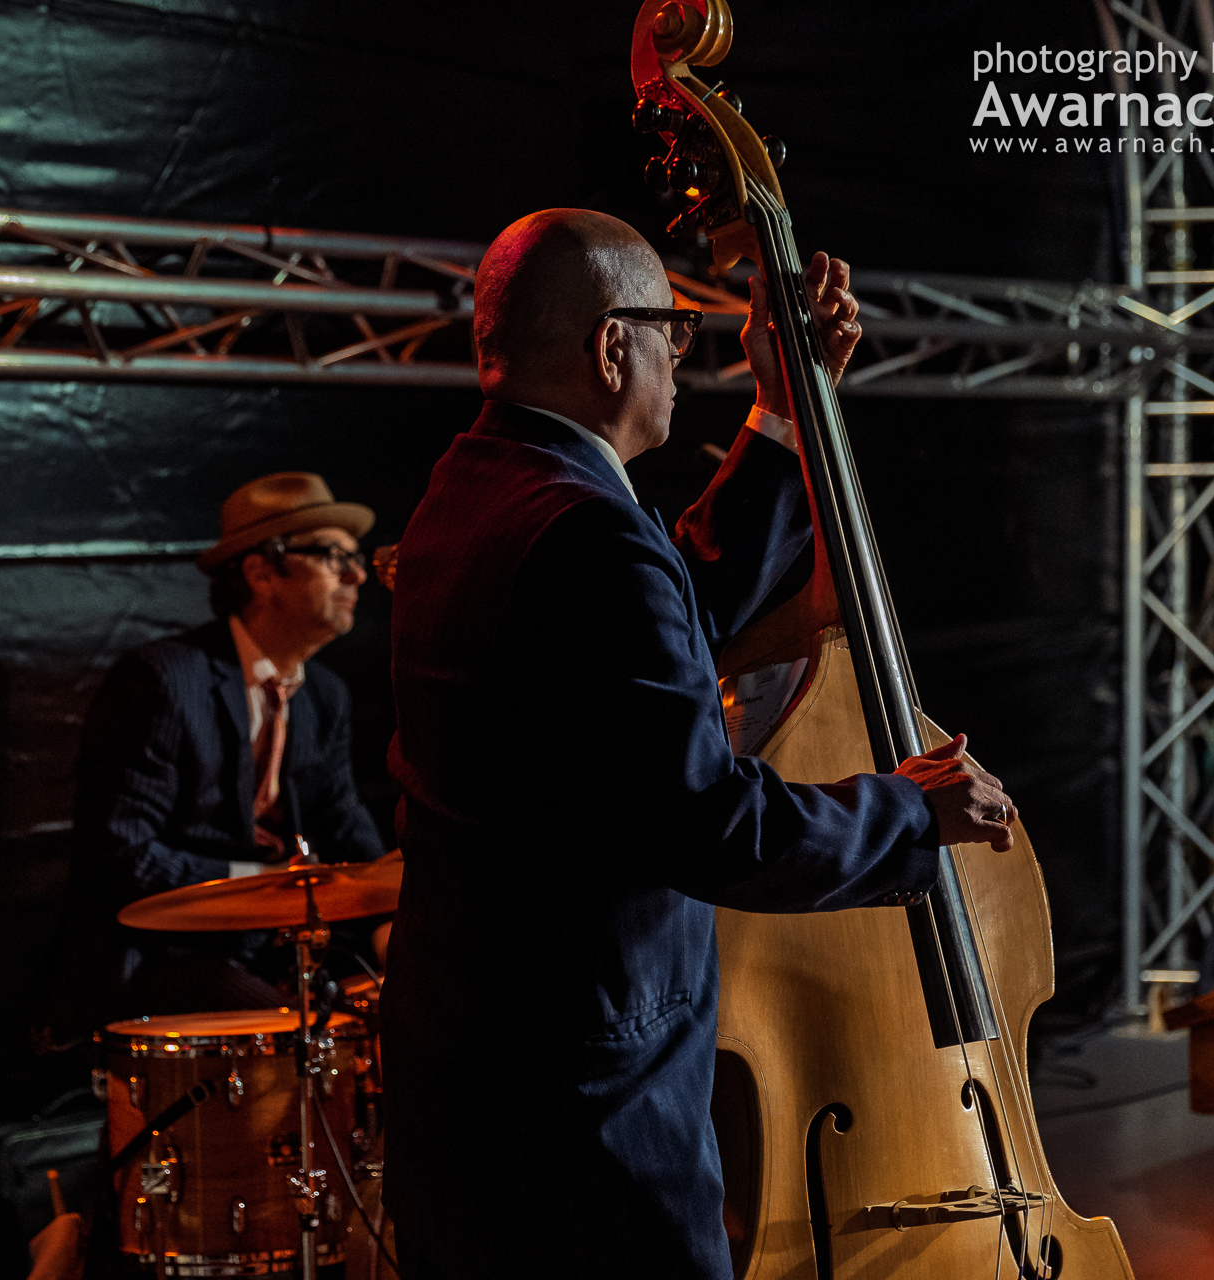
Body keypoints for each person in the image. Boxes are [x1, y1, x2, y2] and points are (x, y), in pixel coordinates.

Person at [381, 209, 1018, 1278]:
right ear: (610, 346)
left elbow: (670, 606)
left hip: (470, 1078)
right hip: (585, 1113)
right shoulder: (585, 529)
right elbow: (708, 822)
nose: (683, 354)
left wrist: (784, 412)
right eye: (672, 328)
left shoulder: (473, 486)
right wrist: (912, 807)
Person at [69, 472, 387, 1020]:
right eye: (332, 556)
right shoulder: (163, 680)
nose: (357, 575)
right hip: (165, 960)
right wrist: (264, 888)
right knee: (300, 1032)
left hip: (273, 953)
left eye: (355, 558)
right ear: (262, 574)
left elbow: (344, 825)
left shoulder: (325, 694)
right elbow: (119, 856)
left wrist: (389, 924)